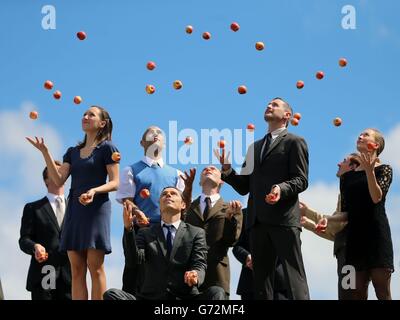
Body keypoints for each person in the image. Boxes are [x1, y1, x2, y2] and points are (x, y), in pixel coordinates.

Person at [216, 97, 309, 300]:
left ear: (287, 116)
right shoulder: (254, 148)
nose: (269, 106)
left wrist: (280, 189)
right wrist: (227, 170)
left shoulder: (295, 142)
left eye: (275, 105)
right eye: (267, 103)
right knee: (261, 282)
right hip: (257, 222)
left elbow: (301, 180)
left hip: (284, 219)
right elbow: (244, 187)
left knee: (294, 277)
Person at [26, 105, 119, 300]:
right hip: (75, 211)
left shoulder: (107, 149)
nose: (85, 116)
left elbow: (115, 182)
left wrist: (94, 191)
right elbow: (59, 180)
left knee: (96, 268)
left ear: (102, 123)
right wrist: (45, 152)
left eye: (91, 115)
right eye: (84, 114)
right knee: (76, 271)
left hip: (96, 209)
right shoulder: (72, 152)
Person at [104, 187, 226, 300]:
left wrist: (196, 275)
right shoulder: (145, 233)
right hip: (150, 297)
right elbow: (133, 261)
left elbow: (199, 264)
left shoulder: (196, 233)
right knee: (112, 295)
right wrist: (129, 229)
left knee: (217, 293)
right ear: (160, 205)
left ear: (183, 205)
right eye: (164, 194)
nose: (168, 195)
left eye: (173, 194)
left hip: (184, 297)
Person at [116, 126, 186, 294]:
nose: (155, 134)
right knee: (137, 278)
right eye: (150, 132)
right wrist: (137, 211)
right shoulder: (131, 170)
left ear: (165, 143)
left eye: (159, 133)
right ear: (142, 142)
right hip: (142, 232)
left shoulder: (177, 174)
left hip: (169, 233)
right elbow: (127, 201)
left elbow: (182, 207)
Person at [325, 129, 393, 300]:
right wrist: (326, 220)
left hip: (377, 235)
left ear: (375, 145)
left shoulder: (384, 169)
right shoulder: (347, 177)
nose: (360, 136)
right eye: (360, 134)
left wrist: (370, 171)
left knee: (382, 291)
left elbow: (376, 198)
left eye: (366, 135)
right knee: (356, 293)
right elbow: (346, 214)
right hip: (354, 240)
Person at [299, 153, 360, 300]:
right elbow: (335, 233)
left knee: (349, 295)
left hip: (351, 254)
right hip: (346, 253)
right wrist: (307, 221)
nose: (339, 163)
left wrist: (308, 214)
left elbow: (336, 225)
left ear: (353, 167)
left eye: (344, 161)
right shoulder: (345, 192)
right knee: (347, 294)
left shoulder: (352, 191)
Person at [184, 166, 243, 298]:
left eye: (214, 169)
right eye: (204, 170)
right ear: (199, 182)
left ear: (222, 181)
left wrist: (229, 218)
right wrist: (187, 189)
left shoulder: (231, 208)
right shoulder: (188, 207)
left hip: (217, 275)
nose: (208, 169)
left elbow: (231, 241)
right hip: (189, 274)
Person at [19, 161, 72, 300]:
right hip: (43, 274)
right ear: (46, 180)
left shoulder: (75, 209)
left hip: (71, 276)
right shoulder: (32, 208)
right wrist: (35, 246)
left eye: (62, 172)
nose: (60, 174)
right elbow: (24, 239)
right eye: (54, 171)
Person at [233, 208, 289, 300]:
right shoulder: (244, 214)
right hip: (250, 284)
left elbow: (289, 245)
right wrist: (247, 257)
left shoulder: (282, 210)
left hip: (278, 283)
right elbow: (237, 246)